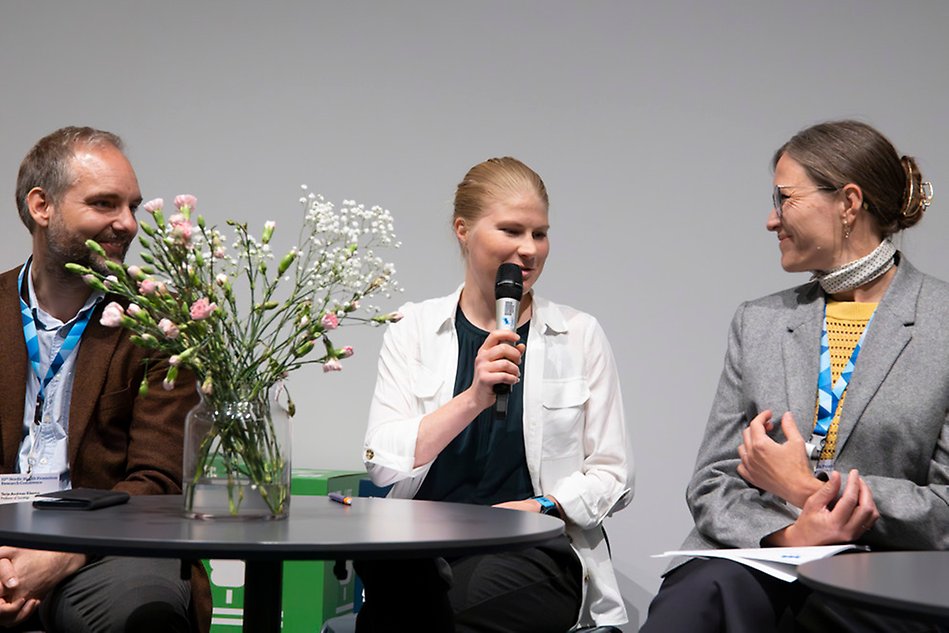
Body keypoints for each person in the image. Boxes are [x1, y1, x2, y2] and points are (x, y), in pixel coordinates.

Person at [640, 120, 947, 632]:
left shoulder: (940, 320)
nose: (771, 219)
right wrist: (789, 537)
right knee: (696, 601)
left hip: (888, 574)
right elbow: (711, 482)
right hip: (761, 558)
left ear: (848, 203)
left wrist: (811, 488)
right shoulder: (756, 321)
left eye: (784, 199)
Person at [358, 157, 633, 632]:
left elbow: (613, 473)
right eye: (511, 230)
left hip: (533, 549)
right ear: (462, 230)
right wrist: (472, 398)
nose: (529, 250)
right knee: (406, 597)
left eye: (540, 234)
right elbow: (381, 461)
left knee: (437, 615)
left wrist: (543, 507)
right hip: (425, 547)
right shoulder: (413, 329)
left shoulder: (579, 334)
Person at [1, 126, 211, 632]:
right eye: (104, 204)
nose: (128, 224)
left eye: (132, 206)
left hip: (109, 553)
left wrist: (65, 550)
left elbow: (160, 483)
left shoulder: (161, 319)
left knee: (142, 611)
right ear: (41, 206)